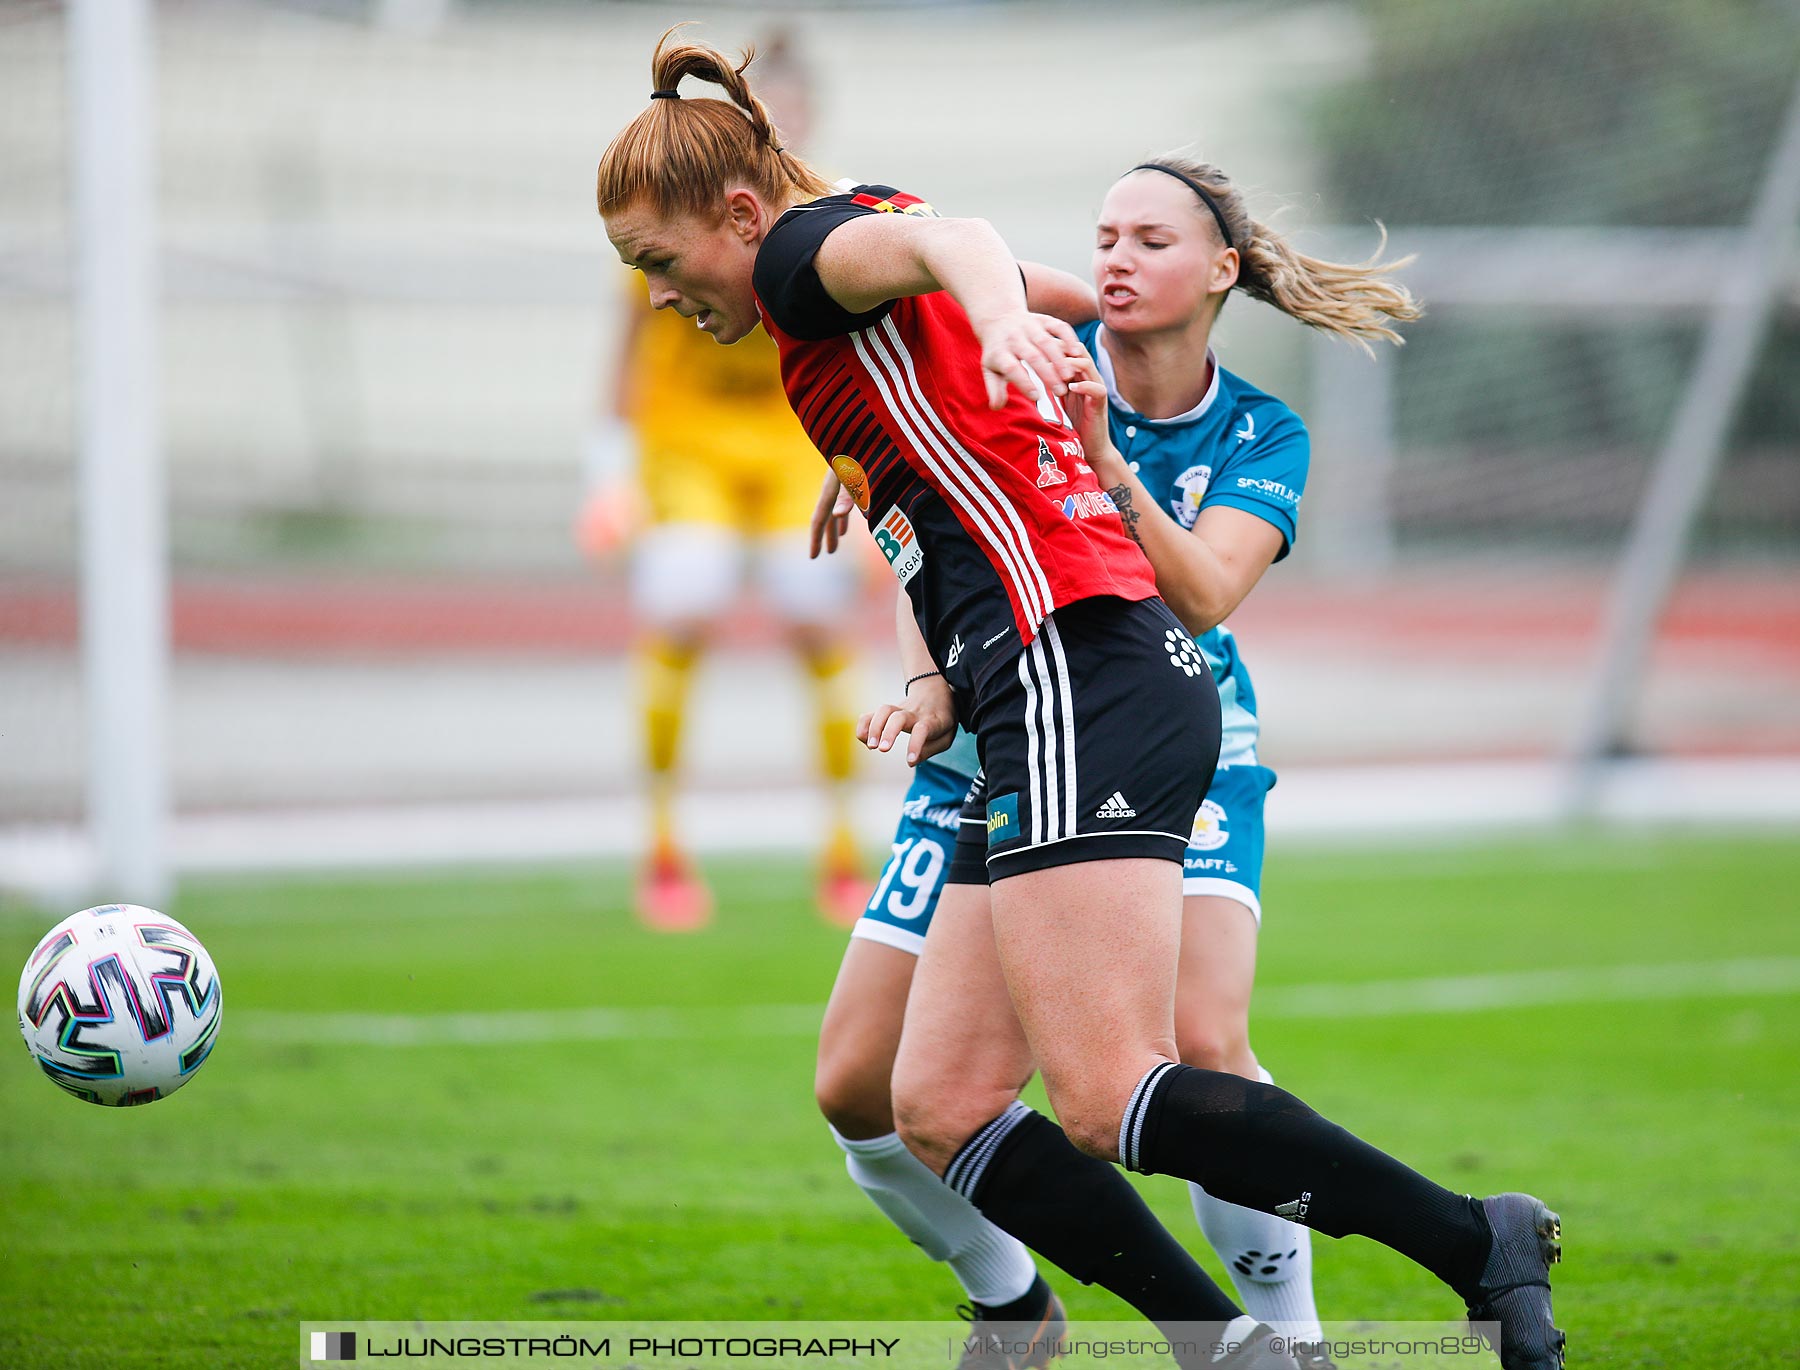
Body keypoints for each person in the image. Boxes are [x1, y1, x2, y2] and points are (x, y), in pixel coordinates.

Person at [595, 31, 1564, 1370]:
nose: (651, 293)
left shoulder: (795, 260)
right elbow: (1014, 278)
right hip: (1049, 684)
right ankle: (1227, 1345)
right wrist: (914, 416)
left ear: (741, 217)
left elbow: (973, 246)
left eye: (655, 260)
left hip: (1074, 665)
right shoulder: (848, 247)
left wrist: (993, 320)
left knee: (1114, 1095)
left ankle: (1474, 1240)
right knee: (932, 1098)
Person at [817, 154, 1394, 1352]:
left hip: (1181, 740)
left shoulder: (1258, 429)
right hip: (995, 735)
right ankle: (1010, 1298)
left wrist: (1102, 457)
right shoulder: (1025, 345)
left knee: (1197, 1040)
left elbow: (1204, 596)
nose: (1116, 260)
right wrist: (877, 511)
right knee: (857, 1081)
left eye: (1149, 239)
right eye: (1105, 236)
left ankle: (1288, 1337)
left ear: (1222, 270)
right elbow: (927, 525)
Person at [579, 32, 869, 932]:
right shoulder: (675, 229)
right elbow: (627, 355)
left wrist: (871, 484)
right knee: (686, 608)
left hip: (796, 449)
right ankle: (663, 847)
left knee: (819, 622)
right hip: (689, 449)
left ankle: (844, 850)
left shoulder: (831, 224)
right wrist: (609, 476)